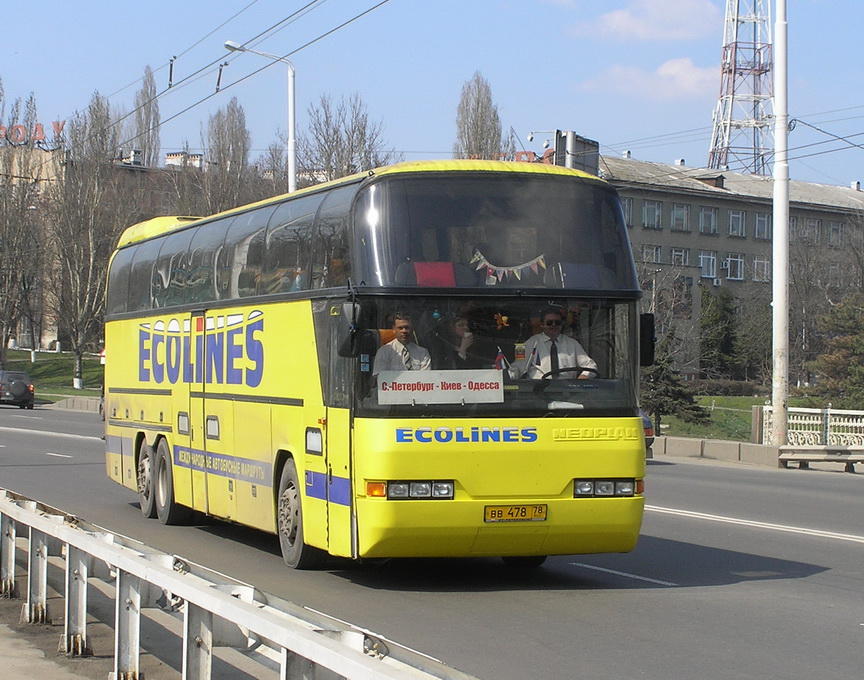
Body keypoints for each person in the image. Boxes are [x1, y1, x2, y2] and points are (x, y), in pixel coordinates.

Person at [509, 307, 597, 379]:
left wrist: (584, 376)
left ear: (562, 324)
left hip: (567, 391)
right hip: (538, 391)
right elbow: (518, 367)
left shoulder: (572, 344)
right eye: (549, 322)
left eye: (557, 322)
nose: (553, 325)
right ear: (542, 325)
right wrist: (506, 377)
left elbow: (590, 365)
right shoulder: (531, 343)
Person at [372, 311, 431, 378]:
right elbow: (380, 378)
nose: (404, 331)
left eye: (407, 327)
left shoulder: (423, 353)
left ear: (412, 328)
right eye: (400, 328)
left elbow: (426, 379)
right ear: (394, 329)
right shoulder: (384, 352)